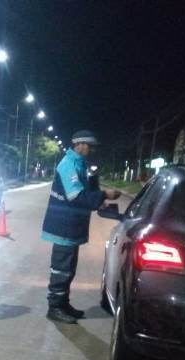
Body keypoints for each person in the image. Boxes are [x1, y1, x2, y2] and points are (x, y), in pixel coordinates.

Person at [41, 130, 121, 324]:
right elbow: (77, 196)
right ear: (80, 145)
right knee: (61, 270)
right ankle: (55, 308)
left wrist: (98, 199)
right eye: (91, 147)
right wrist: (104, 195)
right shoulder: (68, 165)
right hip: (63, 227)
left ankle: (63, 304)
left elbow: (86, 192)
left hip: (71, 226)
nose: (93, 150)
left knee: (68, 269)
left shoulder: (80, 164)